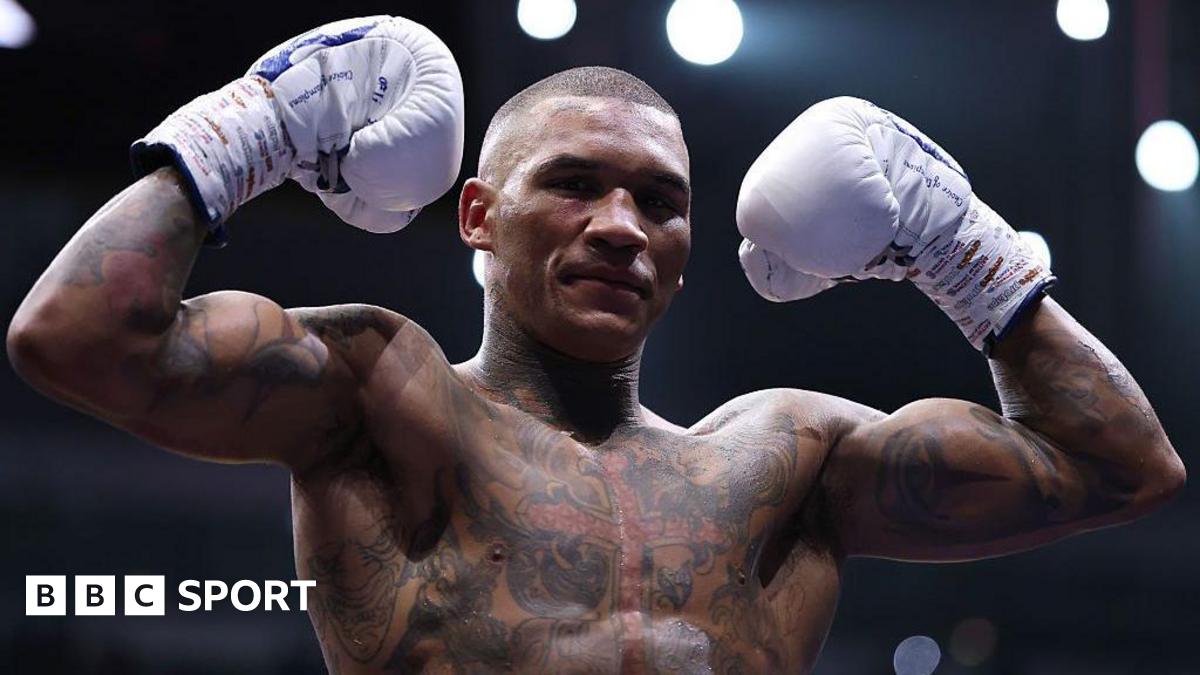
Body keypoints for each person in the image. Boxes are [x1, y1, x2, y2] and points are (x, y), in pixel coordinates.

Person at [6, 14, 1185, 675]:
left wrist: (967, 254)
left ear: (688, 245)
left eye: (659, 201)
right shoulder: (384, 399)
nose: (622, 227)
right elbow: (78, 339)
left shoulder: (787, 464)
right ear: (478, 215)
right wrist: (249, 130)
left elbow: (1124, 468)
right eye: (575, 184)